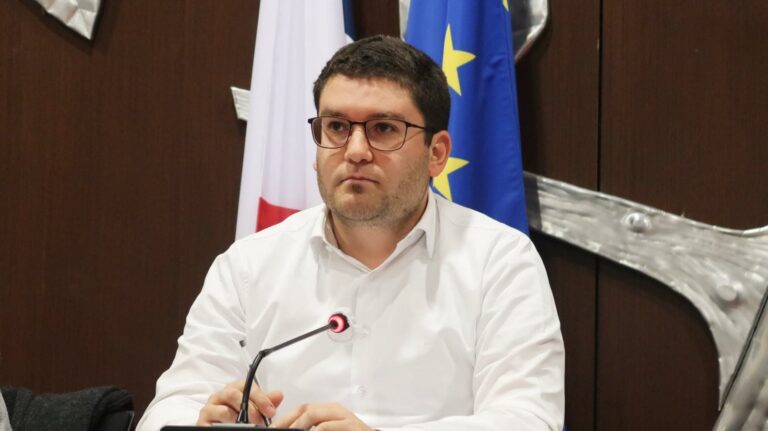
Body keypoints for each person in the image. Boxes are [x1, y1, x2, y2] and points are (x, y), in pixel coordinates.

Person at [137, 35, 564, 431]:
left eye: (384, 129)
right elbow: (167, 410)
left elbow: (528, 418)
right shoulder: (249, 266)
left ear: (437, 154)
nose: (356, 151)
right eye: (337, 128)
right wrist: (201, 421)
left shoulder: (499, 261)